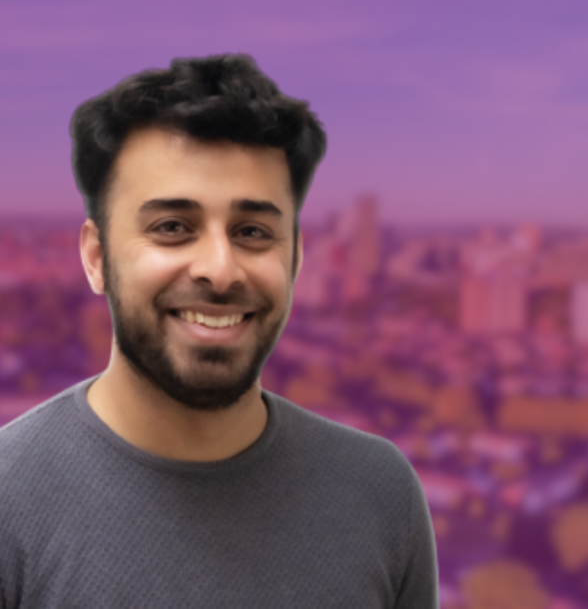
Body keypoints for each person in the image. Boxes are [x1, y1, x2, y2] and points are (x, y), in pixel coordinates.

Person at [0, 54, 438, 608]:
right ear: (96, 257)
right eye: (172, 228)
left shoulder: (379, 493)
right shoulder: (9, 503)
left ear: (296, 258)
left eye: (252, 231)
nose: (220, 268)